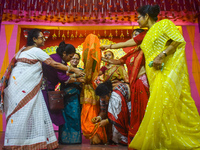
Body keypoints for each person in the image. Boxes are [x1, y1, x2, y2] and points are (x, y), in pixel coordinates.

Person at [103, 4, 200, 149]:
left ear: (147, 16)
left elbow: (178, 41)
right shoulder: (145, 35)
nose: (137, 21)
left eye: (139, 18)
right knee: (159, 110)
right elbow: (129, 42)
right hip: (153, 77)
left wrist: (162, 55)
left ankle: (185, 138)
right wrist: (109, 47)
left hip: (165, 73)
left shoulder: (164, 24)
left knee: (170, 105)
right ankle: (164, 140)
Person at [0, 28, 84, 149]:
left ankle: (24, 141)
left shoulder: (22, 51)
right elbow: (54, 64)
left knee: (27, 112)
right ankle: (21, 142)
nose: (44, 38)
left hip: (18, 86)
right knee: (24, 112)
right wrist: (74, 70)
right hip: (26, 86)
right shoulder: (36, 51)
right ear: (34, 39)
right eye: (41, 37)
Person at [101, 29, 149, 145]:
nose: (134, 38)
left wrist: (109, 46)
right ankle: (136, 137)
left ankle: (147, 137)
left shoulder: (147, 49)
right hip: (134, 84)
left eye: (136, 36)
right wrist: (101, 58)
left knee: (144, 109)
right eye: (133, 36)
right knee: (135, 111)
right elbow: (119, 61)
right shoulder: (132, 52)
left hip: (142, 82)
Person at [42, 41, 85, 128]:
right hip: (44, 87)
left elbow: (64, 75)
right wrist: (77, 79)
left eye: (75, 58)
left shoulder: (63, 62)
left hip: (51, 88)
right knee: (46, 112)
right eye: (70, 57)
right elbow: (63, 78)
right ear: (64, 53)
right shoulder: (56, 59)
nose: (71, 59)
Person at [80, 34, 107, 145]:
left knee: (89, 115)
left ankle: (96, 137)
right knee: (91, 114)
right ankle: (96, 137)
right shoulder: (94, 59)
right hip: (91, 92)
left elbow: (89, 77)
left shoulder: (92, 60)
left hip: (90, 93)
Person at [94, 80, 130, 145]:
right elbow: (103, 111)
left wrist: (106, 121)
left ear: (110, 93)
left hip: (130, 101)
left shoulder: (116, 95)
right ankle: (117, 139)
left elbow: (120, 115)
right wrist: (99, 117)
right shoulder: (103, 96)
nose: (102, 99)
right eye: (101, 98)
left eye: (104, 97)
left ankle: (124, 138)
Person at [58, 53, 83, 144]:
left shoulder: (81, 71)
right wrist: (75, 77)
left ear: (79, 60)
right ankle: (64, 139)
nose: (75, 60)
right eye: (73, 58)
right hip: (65, 98)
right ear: (70, 59)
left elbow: (83, 82)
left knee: (75, 117)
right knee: (64, 119)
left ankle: (75, 140)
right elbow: (62, 80)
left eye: (77, 59)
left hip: (75, 98)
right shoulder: (65, 69)